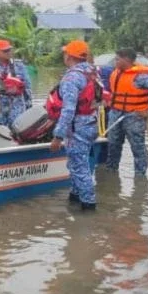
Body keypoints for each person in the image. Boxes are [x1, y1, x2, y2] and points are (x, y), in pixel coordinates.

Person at [47, 40, 103, 210]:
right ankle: (75, 196)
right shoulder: (93, 72)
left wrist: (58, 136)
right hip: (91, 123)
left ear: (69, 56)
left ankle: (88, 205)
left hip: (78, 127)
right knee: (76, 163)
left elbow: (68, 110)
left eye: (65, 53)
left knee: (79, 167)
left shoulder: (72, 77)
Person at [105, 48, 148, 177]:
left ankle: (140, 179)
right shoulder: (115, 73)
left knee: (137, 148)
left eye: (117, 59)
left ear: (126, 60)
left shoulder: (141, 77)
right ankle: (112, 175)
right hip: (115, 114)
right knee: (112, 146)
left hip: (133, 117)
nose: (115, 62)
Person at [0, 40, 32, 129]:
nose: (9, 52)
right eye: (5, 51)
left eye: (9, 50)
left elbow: (27, 87)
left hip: (17, 106)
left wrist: (29, 106)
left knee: (18, 129)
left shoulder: (19, 65)